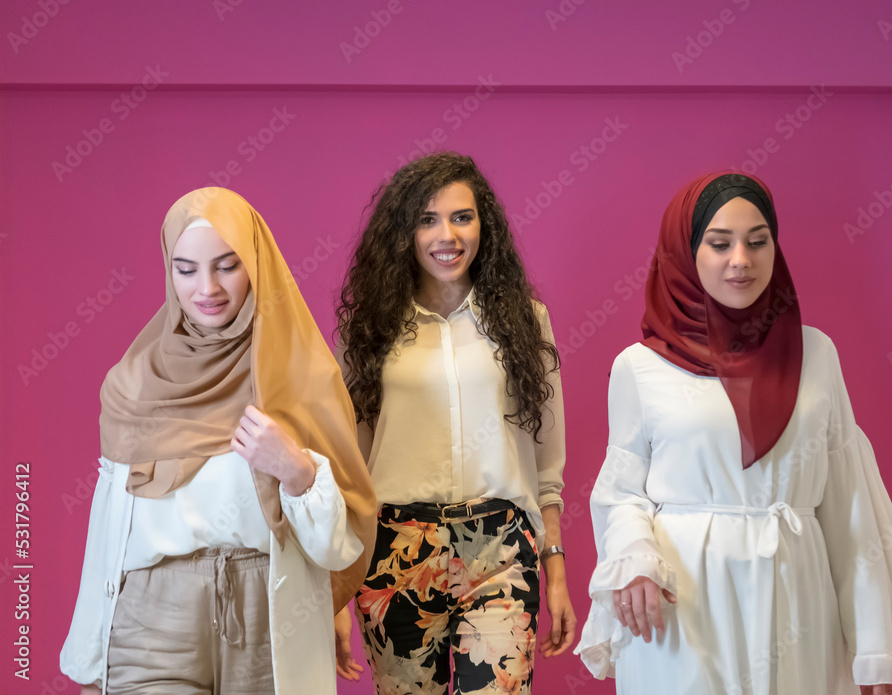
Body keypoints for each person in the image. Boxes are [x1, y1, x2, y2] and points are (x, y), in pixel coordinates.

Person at [574, 173, 892, 694]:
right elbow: (621, 493)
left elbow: (851, 508)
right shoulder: (639, 367)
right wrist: (635, 561)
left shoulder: (816, 355)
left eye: (758, 241)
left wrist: (875, 648)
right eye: (719, 243)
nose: (741, 260)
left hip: (796, 595)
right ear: (685, 252)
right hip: (685, 603)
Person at [60, 187, 377, 694]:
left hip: (268, 613)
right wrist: (90, 654)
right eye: (186, 269)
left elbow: (337, 549)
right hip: (150, 612)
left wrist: (297, 471)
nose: (207, 288)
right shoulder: (135, 383)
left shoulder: (301, 376)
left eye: (227, 265)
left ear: (256, 264)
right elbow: (108, 526)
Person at [334, 152, 576, 694]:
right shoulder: (368, 327)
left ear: (483, 225)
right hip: (395, 549)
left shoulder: (524, 319)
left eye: (462, 217)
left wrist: (555, 567)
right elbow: (349, 462)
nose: (448, 234)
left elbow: (547, 456)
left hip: (501, 546)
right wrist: (335, 585)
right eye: (427, 220)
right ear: (403, 234)